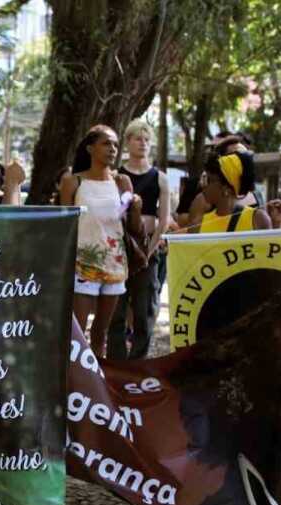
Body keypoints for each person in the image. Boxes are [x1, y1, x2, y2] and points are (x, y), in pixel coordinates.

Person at [59, 125, 141, 357]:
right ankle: (72, 382)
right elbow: (64, 225)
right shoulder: (73, 182)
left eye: (115, 144)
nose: (113, 149)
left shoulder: (123, 182)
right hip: (82, 263)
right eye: (106, 143)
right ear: (90, 148)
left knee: (100, 334)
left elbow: (133, 227)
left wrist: (136, 210)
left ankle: (97, 385)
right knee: (76, 332)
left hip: (114, 263)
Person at [107, 120, 172, 360]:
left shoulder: (161, 178)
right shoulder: (115, 176)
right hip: (118, 249)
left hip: (149, 250)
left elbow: (164, 219)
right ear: (128, 142)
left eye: (146, 140)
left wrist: (149, 250)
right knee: (116, 309)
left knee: (145, 310)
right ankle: (116, 361)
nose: (142, 144)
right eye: (137, 139)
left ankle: (139, 362)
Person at [187, 152, 272, 233]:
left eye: (210, 180)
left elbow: (273, 246)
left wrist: (277, 222)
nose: (203, 185)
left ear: (227, 189)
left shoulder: (257, 219)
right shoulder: (198, 226)